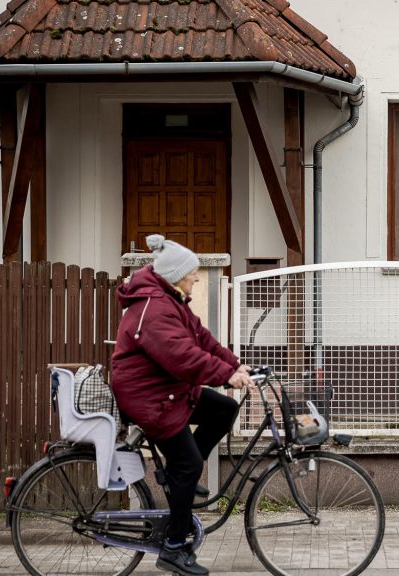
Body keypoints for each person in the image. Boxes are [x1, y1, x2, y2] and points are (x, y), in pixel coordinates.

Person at [111, 234, 253, 576]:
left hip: (166, 389)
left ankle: (178, 481)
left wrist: (233, 365)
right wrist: (224, 375)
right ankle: (174, 547)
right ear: (176, 276)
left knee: (224, 410)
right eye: (192, 275)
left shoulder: (170, 299)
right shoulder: (153, 308)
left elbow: (200, 338)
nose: (195, 279)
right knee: (188, 462)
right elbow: (182, 358)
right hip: (148, 397)